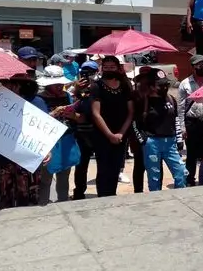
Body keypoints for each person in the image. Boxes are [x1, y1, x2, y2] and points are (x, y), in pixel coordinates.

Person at [0, 75, 47, 210]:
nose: (1, 87)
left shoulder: (36, 102)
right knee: (4, 199)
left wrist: (47, 150)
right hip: (3, 159)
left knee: (27, 199)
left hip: (26, 159)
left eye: (5, 84)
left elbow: (44, 130)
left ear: (16, 86)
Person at [89, 56, 133, 197]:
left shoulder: (125, 85)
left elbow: (131, 112)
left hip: (121, 134)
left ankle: (112, 196)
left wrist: (120, 133)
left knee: (115, 169)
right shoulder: (97, 86)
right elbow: (96, 113)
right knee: (103, 169)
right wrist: (110, 135)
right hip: (102, 134)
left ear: (117, 68)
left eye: (112, 67)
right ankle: (102, 198)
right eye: (106, 67)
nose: (109, 70)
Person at [140, 76, 187, 191]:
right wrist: (143, 139)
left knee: (181, 171)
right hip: (152, 143)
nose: (164, 87)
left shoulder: (170, 99)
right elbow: (136, 122)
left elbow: (175, 120)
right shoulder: (145, 101)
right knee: (154, 177)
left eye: (166, 85)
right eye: (160, 85)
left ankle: (181, 195)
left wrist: (179, 140)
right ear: (152, 87)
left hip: (170, 142)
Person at [37, 66, 75, 203]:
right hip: (48, 142)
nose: (60, 87)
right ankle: (43, 203)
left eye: (61, 84)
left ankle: (63, 201)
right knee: (46, 177)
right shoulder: (39, 99)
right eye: (56, 84)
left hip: (66, 139)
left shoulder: (67, 96)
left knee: (64, 175)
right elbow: (35, 121)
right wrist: (53, 113)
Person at [178, 55, 203, 186]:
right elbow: (181, 107)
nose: (202, 67)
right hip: (191, 122)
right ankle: (190, 180)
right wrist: (183, 128)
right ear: (193, 67)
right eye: (198, 65)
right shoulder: (185, 84)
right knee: (192, 154)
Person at [69, 61, 98, 200]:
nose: (87, 75)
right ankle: (79, 192)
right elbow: (70, 106)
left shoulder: (99, 86)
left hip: (97, 131)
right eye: (85, 72)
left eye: (91, 72)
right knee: (81, 165)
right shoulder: (74, 87)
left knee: (103, 163)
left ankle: (103, 189)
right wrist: (76, 90)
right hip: (81, 133)